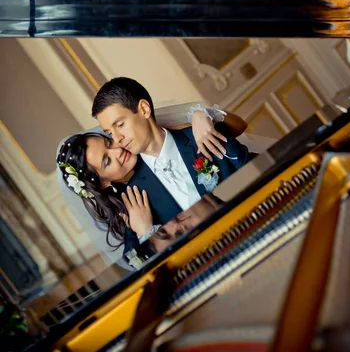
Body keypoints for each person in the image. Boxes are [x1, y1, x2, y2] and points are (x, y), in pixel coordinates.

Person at [56, 93, 250, 266]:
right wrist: (145, 232)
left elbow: (237, 150)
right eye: (107, 161)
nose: (117, 149)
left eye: (109, 142)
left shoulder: (156, 144)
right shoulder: (129, 211)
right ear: (102, 183)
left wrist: (201, 115)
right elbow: (140, 266)